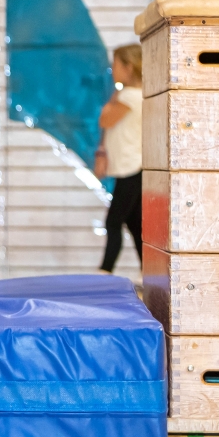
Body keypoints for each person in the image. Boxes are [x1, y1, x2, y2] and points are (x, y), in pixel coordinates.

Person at [97, 43, 145, 274]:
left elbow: (105, 120)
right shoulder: (136, 95)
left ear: (128, 67)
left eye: (115, 64)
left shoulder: (129, 96)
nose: (112, 69)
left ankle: (105, 271)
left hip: (130, 167)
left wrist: (114, 95)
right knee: (134, 223)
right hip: (132, 166)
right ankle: (149, 271)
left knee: (113, 221)